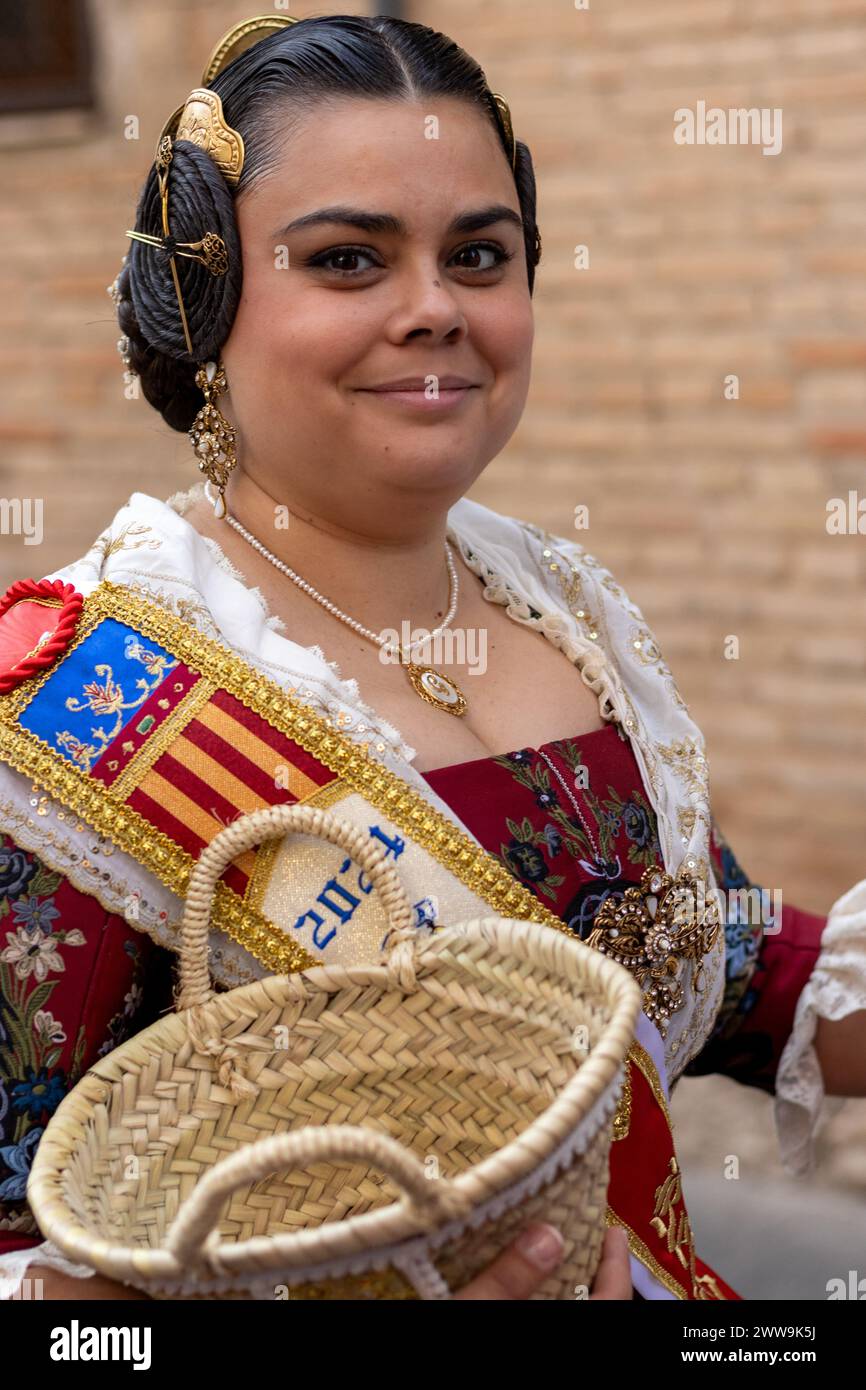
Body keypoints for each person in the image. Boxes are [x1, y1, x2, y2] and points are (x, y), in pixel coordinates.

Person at [1, 12, 864, 1302]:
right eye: (347, 259)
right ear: (205, 302)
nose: (434, 311)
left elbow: (705, 961)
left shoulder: (559, 608)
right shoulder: (73, 714)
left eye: (480, 254)